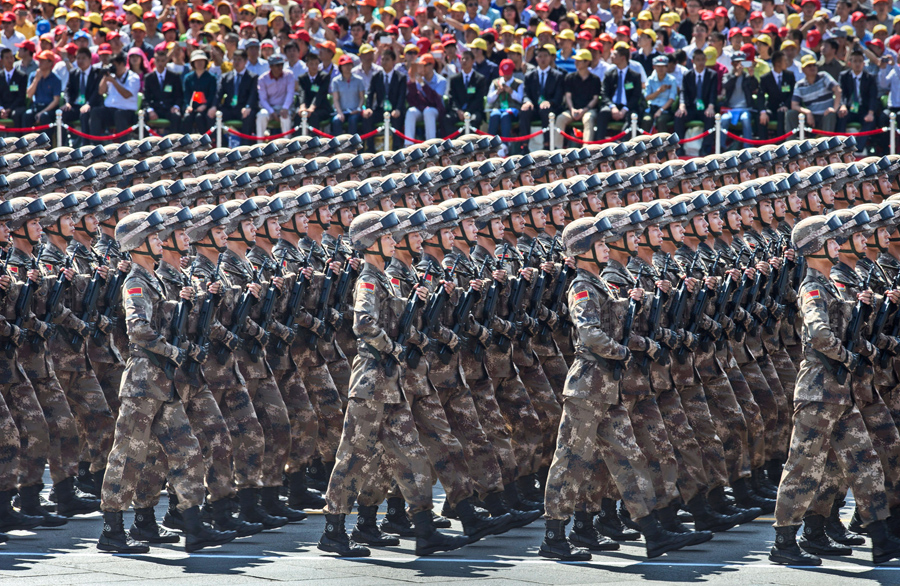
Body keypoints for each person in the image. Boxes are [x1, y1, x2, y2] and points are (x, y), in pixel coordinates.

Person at [317, 210, 469, 558]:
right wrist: (394, 347)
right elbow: (364, 323)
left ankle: (425, 531)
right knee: (353, 456)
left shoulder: (385, 279)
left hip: (392, 383)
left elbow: (393, 321)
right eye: (386, 238)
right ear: (370, 243)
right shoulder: (368, 280)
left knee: (412, 455)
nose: (393, 242)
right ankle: (333, 531)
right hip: (371, 381)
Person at [96, 209, 237, 554]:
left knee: (186, 452)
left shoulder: (154, 280)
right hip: (145, 379)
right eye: (154, 237)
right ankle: (112, 531)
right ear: (139, 244)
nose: (161, 241)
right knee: (128, 455)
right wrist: (175, 351)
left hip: (165, 381)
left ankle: (193, 525)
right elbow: (139, 330)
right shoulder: (135, 282)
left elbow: (166, 323)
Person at [769, 211, 900, 567]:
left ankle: (882, 537)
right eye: (831, 241)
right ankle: (783, 541)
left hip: (841, 393)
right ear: (815, 248)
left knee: (865, 461)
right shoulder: (812, 287)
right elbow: (819, 333)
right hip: (817, 392)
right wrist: (848, 357)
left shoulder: (832, 286)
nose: (838, 245)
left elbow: (848, 331)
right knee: (802, 466)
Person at [675, 48, 719, 155]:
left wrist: (711, 106)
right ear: (693, 61)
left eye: (703, 60)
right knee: (679, 116)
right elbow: (683, 92)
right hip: (691, 107)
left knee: (710, 117)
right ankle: (679, 146)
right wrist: (682, 105)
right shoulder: (687, 75)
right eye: (698, 60)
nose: (701, 62)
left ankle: (705, 148)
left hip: (705, 107)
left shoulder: (712, 75)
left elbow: (713, 93)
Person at [596, 44, 644, 141]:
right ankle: (599, 143)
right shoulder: (609, 74)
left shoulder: (635, 76)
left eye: (614, 55)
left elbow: (636, 96)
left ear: (623, 58)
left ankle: (622, 144)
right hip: (612, 106)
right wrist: (612, 107)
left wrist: (624, 109)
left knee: (633, 117)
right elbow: (604, 93)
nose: (611, 57)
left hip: (628, 107)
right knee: (603, 113)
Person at [519, 45, 563, 149]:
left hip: (549, 108)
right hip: (534, 107)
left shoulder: (557, 76)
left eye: (545, 56)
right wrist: (527, 102)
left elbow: (558, 97)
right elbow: (526, 94)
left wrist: (549, 102)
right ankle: (524, 145)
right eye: (540, 56)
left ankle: (547, 144)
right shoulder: (529, 75)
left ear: (551, 58)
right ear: (536, 58)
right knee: (524, 111)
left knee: (546, 111)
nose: (543, 59)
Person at [557, 49, 603, 145]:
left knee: (588, 119)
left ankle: (586, 150)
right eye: (576, 60)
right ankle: (557, 150)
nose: (576, 62)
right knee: (560, 118)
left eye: (579, 60)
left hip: (588, 110)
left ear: (587, 62)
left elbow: (595, 98)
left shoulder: (595, 79)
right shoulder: (569, 77)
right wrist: (572, 109)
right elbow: (568, 96)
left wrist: (584, 110)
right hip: (572, 110)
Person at [364, 47, 406, 150]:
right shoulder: (376, 76)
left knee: (396, 120)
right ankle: (370, 149)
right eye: (382, 59)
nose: (384, 62)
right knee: (368, 118)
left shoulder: (400, 77)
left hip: (395, 109)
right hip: (380, 108)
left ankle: (396, 149)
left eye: (387, 59)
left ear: (393, 61)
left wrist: (398, 109)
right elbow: (370, 93)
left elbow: (402, 95)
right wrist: (368, 107)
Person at [213, 48, 259, 144]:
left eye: (239, 60)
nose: (236, 62)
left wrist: (248, 107)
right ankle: (221, 144)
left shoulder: (252, 77)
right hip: (229, 108)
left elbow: (253, 94)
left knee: (249, 116)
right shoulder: (226, 77)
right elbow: (219, 93)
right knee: (212, 115)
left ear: (246, 62)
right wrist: (213, 107)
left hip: (243, 108)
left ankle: (245, 147)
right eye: (235, 59)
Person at [787, 54, 841, 134]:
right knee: (791, 114)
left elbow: (838, 90)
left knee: (830, 114)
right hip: (811, 118)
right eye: (809, 66)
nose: (812, 68)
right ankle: (792, 143)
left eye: (814, 65)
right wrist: (807, 112)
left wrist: (834, 109)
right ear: (802, 69)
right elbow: (794, 105)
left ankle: (826, 145)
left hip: (825, 115)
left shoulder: (824, 76)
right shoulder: (800, 85)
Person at [837, 49, 878, 153]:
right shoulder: (844, 76)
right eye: (855, 61)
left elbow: (873, 96)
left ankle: (858, 147)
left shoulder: (870, 78)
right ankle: (840, 146)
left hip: (863, 109)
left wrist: (870, 113)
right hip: (849, 108)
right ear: (850, 63)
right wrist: (842, 105)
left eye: (860, 61)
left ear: (864, 63)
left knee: (871, 121)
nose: (857, 64)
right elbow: (842, 93)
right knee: (841, 116)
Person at [90, 51, 140, 137]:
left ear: (122, 64)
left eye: (115, 66)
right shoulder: (111, 76)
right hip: (110, 111)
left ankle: (123, 145)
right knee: (95, 112)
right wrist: (105, 77)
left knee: (119, 114)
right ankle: (95, 143)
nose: (113, 68)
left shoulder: (133, 77)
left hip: (127, 112)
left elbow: (126, 94)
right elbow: (101, 92)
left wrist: (114, 81)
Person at [405, 53, 446, 145]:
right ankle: (408, 145)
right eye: (420, 66)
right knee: (411, 111)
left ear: (431, 65)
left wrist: (422, 84)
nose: (422, 68)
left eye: (424, 65)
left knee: (429, 111)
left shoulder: (441, 80)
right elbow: (412, 101)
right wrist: (412, 82)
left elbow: (434, 100)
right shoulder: (418, 79)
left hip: (435, 110)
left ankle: (430, 145)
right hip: (421, 108)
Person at [721, 51, 762, 144]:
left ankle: (748, 147)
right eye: (736, 63)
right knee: (724, 119)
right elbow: (726, 86)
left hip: (745, 108)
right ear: (732, 63)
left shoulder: (747, 76)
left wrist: (752, 76)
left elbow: (755, 87)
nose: (739, 65)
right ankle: (721, 147)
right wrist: (736, 76)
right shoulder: (727, 76)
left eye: (741, 62)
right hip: (730, 109)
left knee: (745, 119)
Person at [143, 42, 183, 134]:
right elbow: (146, 98)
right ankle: (144, 144)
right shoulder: (149, 78)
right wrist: (150, 110)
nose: (160, 63)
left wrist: (176, 107)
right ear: (154, 61)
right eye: (158, 60)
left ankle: (175, 142)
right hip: (155, 108)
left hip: (169, 108)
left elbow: (179, 96)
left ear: (166, 61)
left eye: (163, 61)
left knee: (176, 116)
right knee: (142, 116)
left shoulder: (174, 77)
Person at [444, 49, 485, 136]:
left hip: (473, 111)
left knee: (475, 120)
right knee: (447, 119)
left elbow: (478, 99)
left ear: (473, 61)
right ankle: (455, 144)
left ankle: (471, 145)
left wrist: (468, 112)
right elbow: (452, 98)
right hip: (458, 111)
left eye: (467, 59)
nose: (464, 61)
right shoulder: (454, 79)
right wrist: (458, 111)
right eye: (462, 59)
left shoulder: (479, 79)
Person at [486, 58, 522, 153]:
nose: (506, 75)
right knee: (494, 115)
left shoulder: (518, 83)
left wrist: (511, 92)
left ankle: (505, 145)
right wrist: (497, 92)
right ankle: (490, 144)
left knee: (505, 116)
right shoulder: (495, 83)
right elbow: (489, 99)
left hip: (513, 110)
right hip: (498, 109)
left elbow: (521, 99)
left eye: (508, 73)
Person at [257, 53, 296, 138]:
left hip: (285, 107)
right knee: (261, 115)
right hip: (270, 108)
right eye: (277, 65)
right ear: (270, 66)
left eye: (281, 64)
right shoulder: (262, 79)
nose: (280, 67)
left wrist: (285, 108)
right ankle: (259, 144)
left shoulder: (289, 75)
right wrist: (272, 112)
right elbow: (262, 99)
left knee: (285, 117)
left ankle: (288, 145)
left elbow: (290, 93)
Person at [760, 50, 796, 138]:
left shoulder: (789, 75)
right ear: (777, 63)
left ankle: (780, 144)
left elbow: (793, 93)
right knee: (763, 118)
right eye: (785, 61)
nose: (787, 63)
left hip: (785, 108)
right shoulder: (765, 78)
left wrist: (786, 105)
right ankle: (763, 145)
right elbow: (760, 95)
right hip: (771, 108)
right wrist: (763, 112)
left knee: (782, 114)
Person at [330, 54, 366, 136]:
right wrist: (339, 113)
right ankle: (337, 146)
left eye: (349, 64)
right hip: (342, 111)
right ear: (340, 67)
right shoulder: (336, 81)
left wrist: (358, 108)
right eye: (345, 65)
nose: (347, 67)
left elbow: (362, 97)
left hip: (355, 111)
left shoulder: (359, 80)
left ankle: (353, 146)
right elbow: (335, 99)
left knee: (353, 120)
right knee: (336, 121)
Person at [23, 49, 60, 130]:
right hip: (36, 107)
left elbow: (56, 100)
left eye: (43, 60)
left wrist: (42, 112)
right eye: (40, 60)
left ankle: (46, 142)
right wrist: (36, 79)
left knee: (45, 117)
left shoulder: (56, 79)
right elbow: (29, 95)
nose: (40, 62)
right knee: (27, 115)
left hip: (49, 109)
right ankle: (26, 141)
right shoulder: (33, 75)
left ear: (50, 63)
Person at [643, 54, 677, 133]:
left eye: (663, 66)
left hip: (665, 110)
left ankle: (663, 144)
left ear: (667, 67)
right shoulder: (650, 79)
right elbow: (647, 97)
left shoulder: (672, 80)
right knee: (646, 120)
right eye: (658, 66)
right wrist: (658, 91)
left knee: (661, 121)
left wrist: (660, 110)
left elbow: (672, 99)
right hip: (651, 108)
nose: (660, 69)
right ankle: (644, 143)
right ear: (654, 67)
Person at [0, 47, 27, 128]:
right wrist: (1, 109)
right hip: (2, 107)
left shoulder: (22, 76)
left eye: (11, 57)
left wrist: (9, 109)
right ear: (2, 60)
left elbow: (21, 96)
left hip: (16, 107)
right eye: (7, 58)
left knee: (16, 114)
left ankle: (18, 139)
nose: (10, 60)